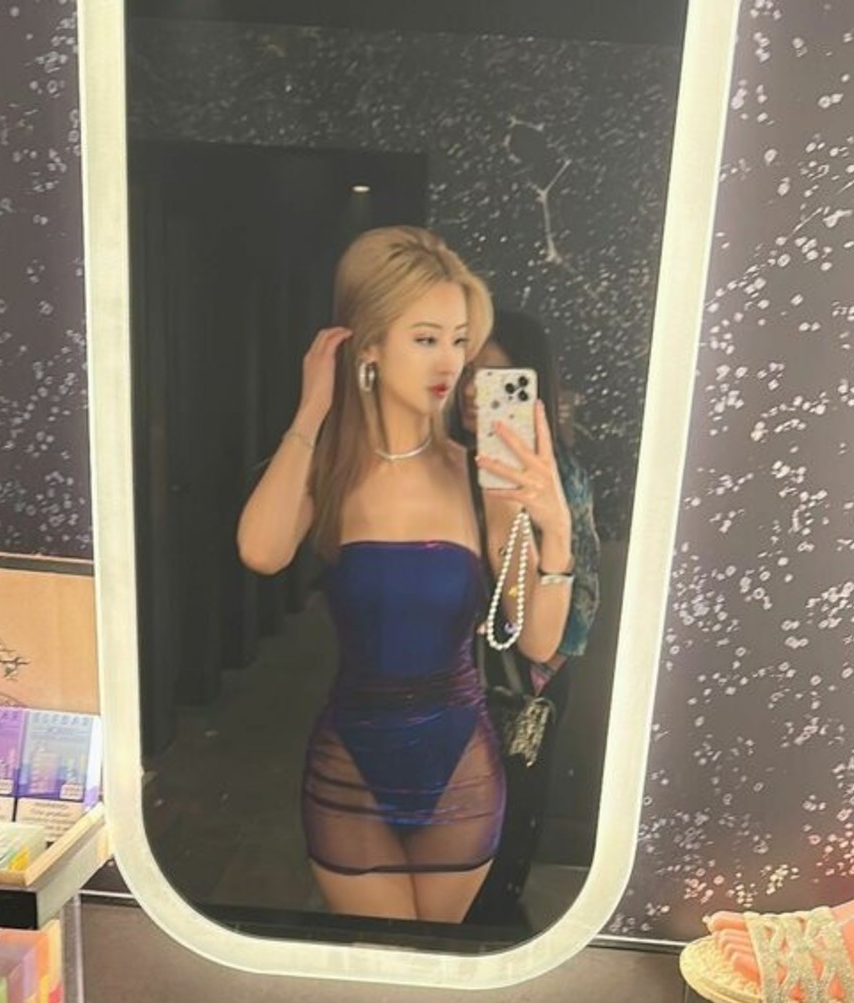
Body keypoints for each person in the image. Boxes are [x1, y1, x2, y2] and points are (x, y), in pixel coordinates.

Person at [236, 227, 576, 924]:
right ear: (368, 345)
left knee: (432, 968)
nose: (449, 361)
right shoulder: (330, 472)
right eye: (425, 339)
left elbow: (540, 642)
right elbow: (262, 550)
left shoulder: (477, 476)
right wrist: (312, 409)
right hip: (349, 768)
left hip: (462, 770)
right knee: (375, 961)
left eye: (459, 340)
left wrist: (558, 530)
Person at [458, 308, 601, 928]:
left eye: (494, 379)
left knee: (506, 838)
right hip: (443, 688)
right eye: (465, 373)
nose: (472, 391)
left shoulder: (557, 476)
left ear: (529, 386)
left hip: (523, 695)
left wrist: (552, 527)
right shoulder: (437, 465)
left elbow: (574, 621)